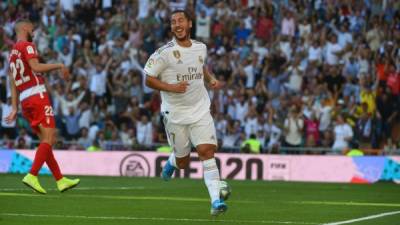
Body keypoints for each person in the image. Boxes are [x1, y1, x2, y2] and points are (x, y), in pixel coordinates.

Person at [144, 10, 229, 216]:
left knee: (207, 152)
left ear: (190, 24)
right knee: (183, 162)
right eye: (173, 22)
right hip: (175, 114)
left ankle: (215, 201)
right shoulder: (163, 53)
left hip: (200, 109)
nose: (177, 24)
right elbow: (148, 79)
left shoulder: (201, 47)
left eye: (181, 20)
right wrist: (171, 88)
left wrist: (210, 80)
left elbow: (200, 67)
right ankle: (173, 161)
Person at [5, 19, 79, 194]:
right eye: (32, 28)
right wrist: (60, 65)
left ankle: (60, 180)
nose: (33, 31)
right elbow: (36, 66)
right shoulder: (27, 46)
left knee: (46, 140)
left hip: (25, 100)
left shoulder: (13, 53)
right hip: (37, 95)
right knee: (49, 138)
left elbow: (12, 81)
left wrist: (15, 107)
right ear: (24, 28)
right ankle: (32, 175)